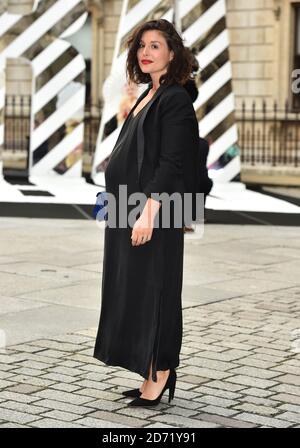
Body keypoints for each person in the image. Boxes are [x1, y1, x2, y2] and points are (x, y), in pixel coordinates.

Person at [93, 19, 200, 407]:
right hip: (128, 208)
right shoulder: (148, 94)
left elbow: (171, 162)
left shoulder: (174, 98)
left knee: (157, 291)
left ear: (173, 53)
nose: (146, 52)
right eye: (141, 45)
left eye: (156, 45)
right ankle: (147, 370)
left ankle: (161, 372)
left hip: (153, 211)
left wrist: (148, 213)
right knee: (134, 291)